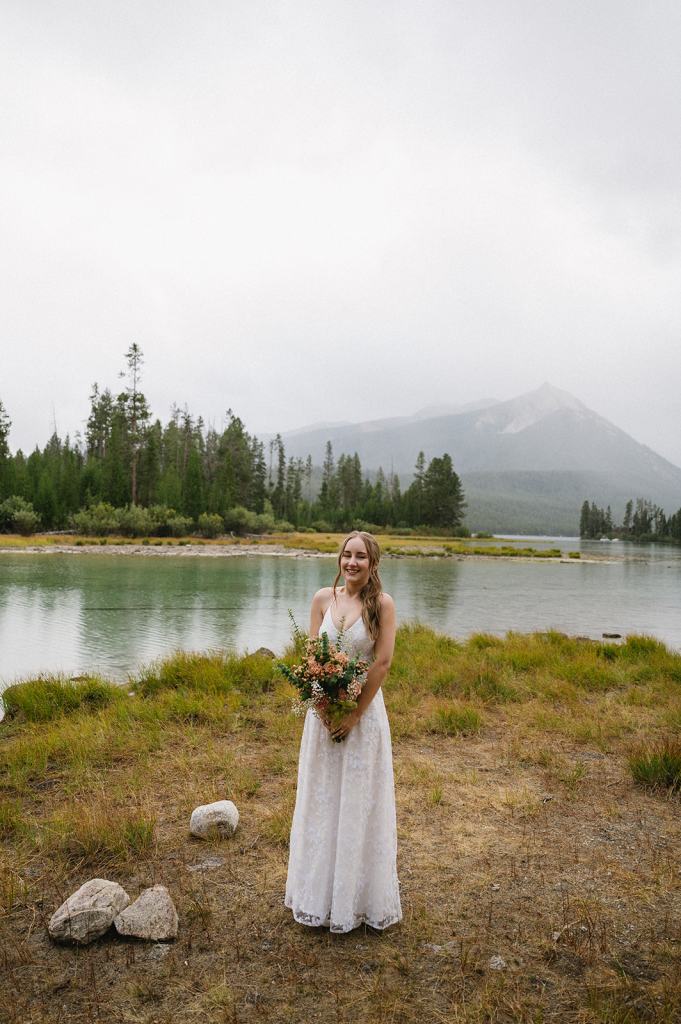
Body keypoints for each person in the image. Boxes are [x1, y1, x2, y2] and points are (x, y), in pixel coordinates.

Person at [284, 530, 402, 933]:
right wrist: (321, 708)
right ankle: (316, 893)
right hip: (320, 720)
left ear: (373, 564)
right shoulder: (322, 599)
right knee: (321, 798)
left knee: (356, 801)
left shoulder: (381, 605)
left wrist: (352, 715)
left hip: (363, 717)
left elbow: (382, 663)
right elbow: (311, 659)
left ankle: (355, 901)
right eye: (347, 555)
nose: (352, 563)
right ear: (340, 559)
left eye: (361, 557)